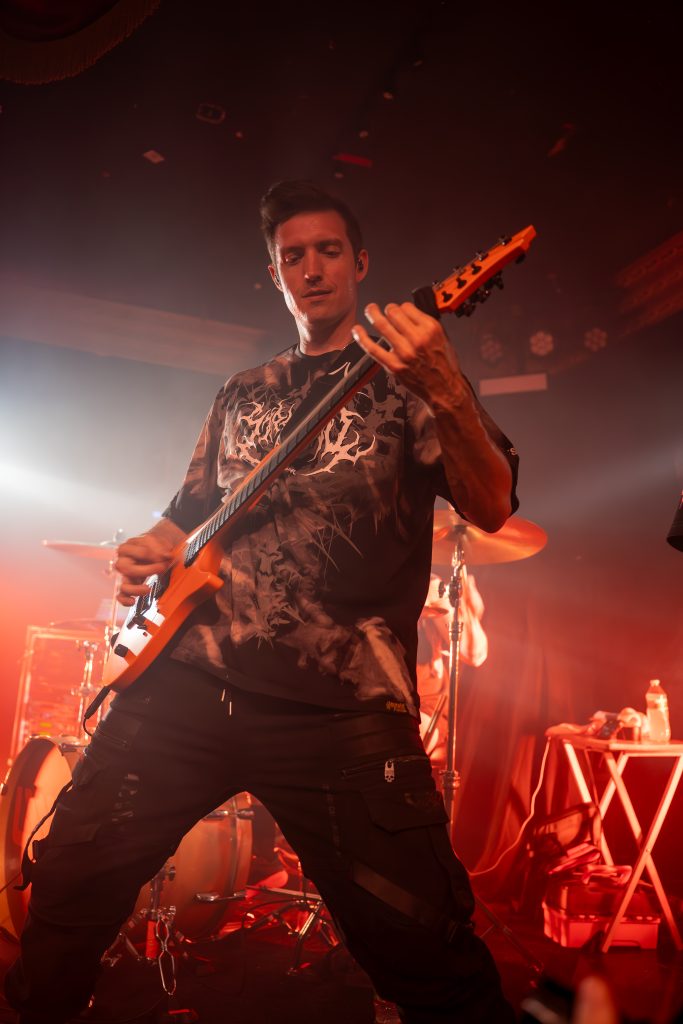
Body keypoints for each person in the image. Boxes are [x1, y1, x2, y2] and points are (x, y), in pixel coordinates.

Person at [6, 180, 519, 1023]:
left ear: (360, 263)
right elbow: (185, 514)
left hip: (338, 708)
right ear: (275, 276)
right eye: (292, 257)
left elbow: (492, 505)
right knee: (66, 888)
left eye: (327, 251)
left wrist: (447, 387)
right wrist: (150, 548)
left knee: (425, 948)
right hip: (187, 686)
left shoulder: (411, 383)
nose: (311, 269)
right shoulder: (243, 391)